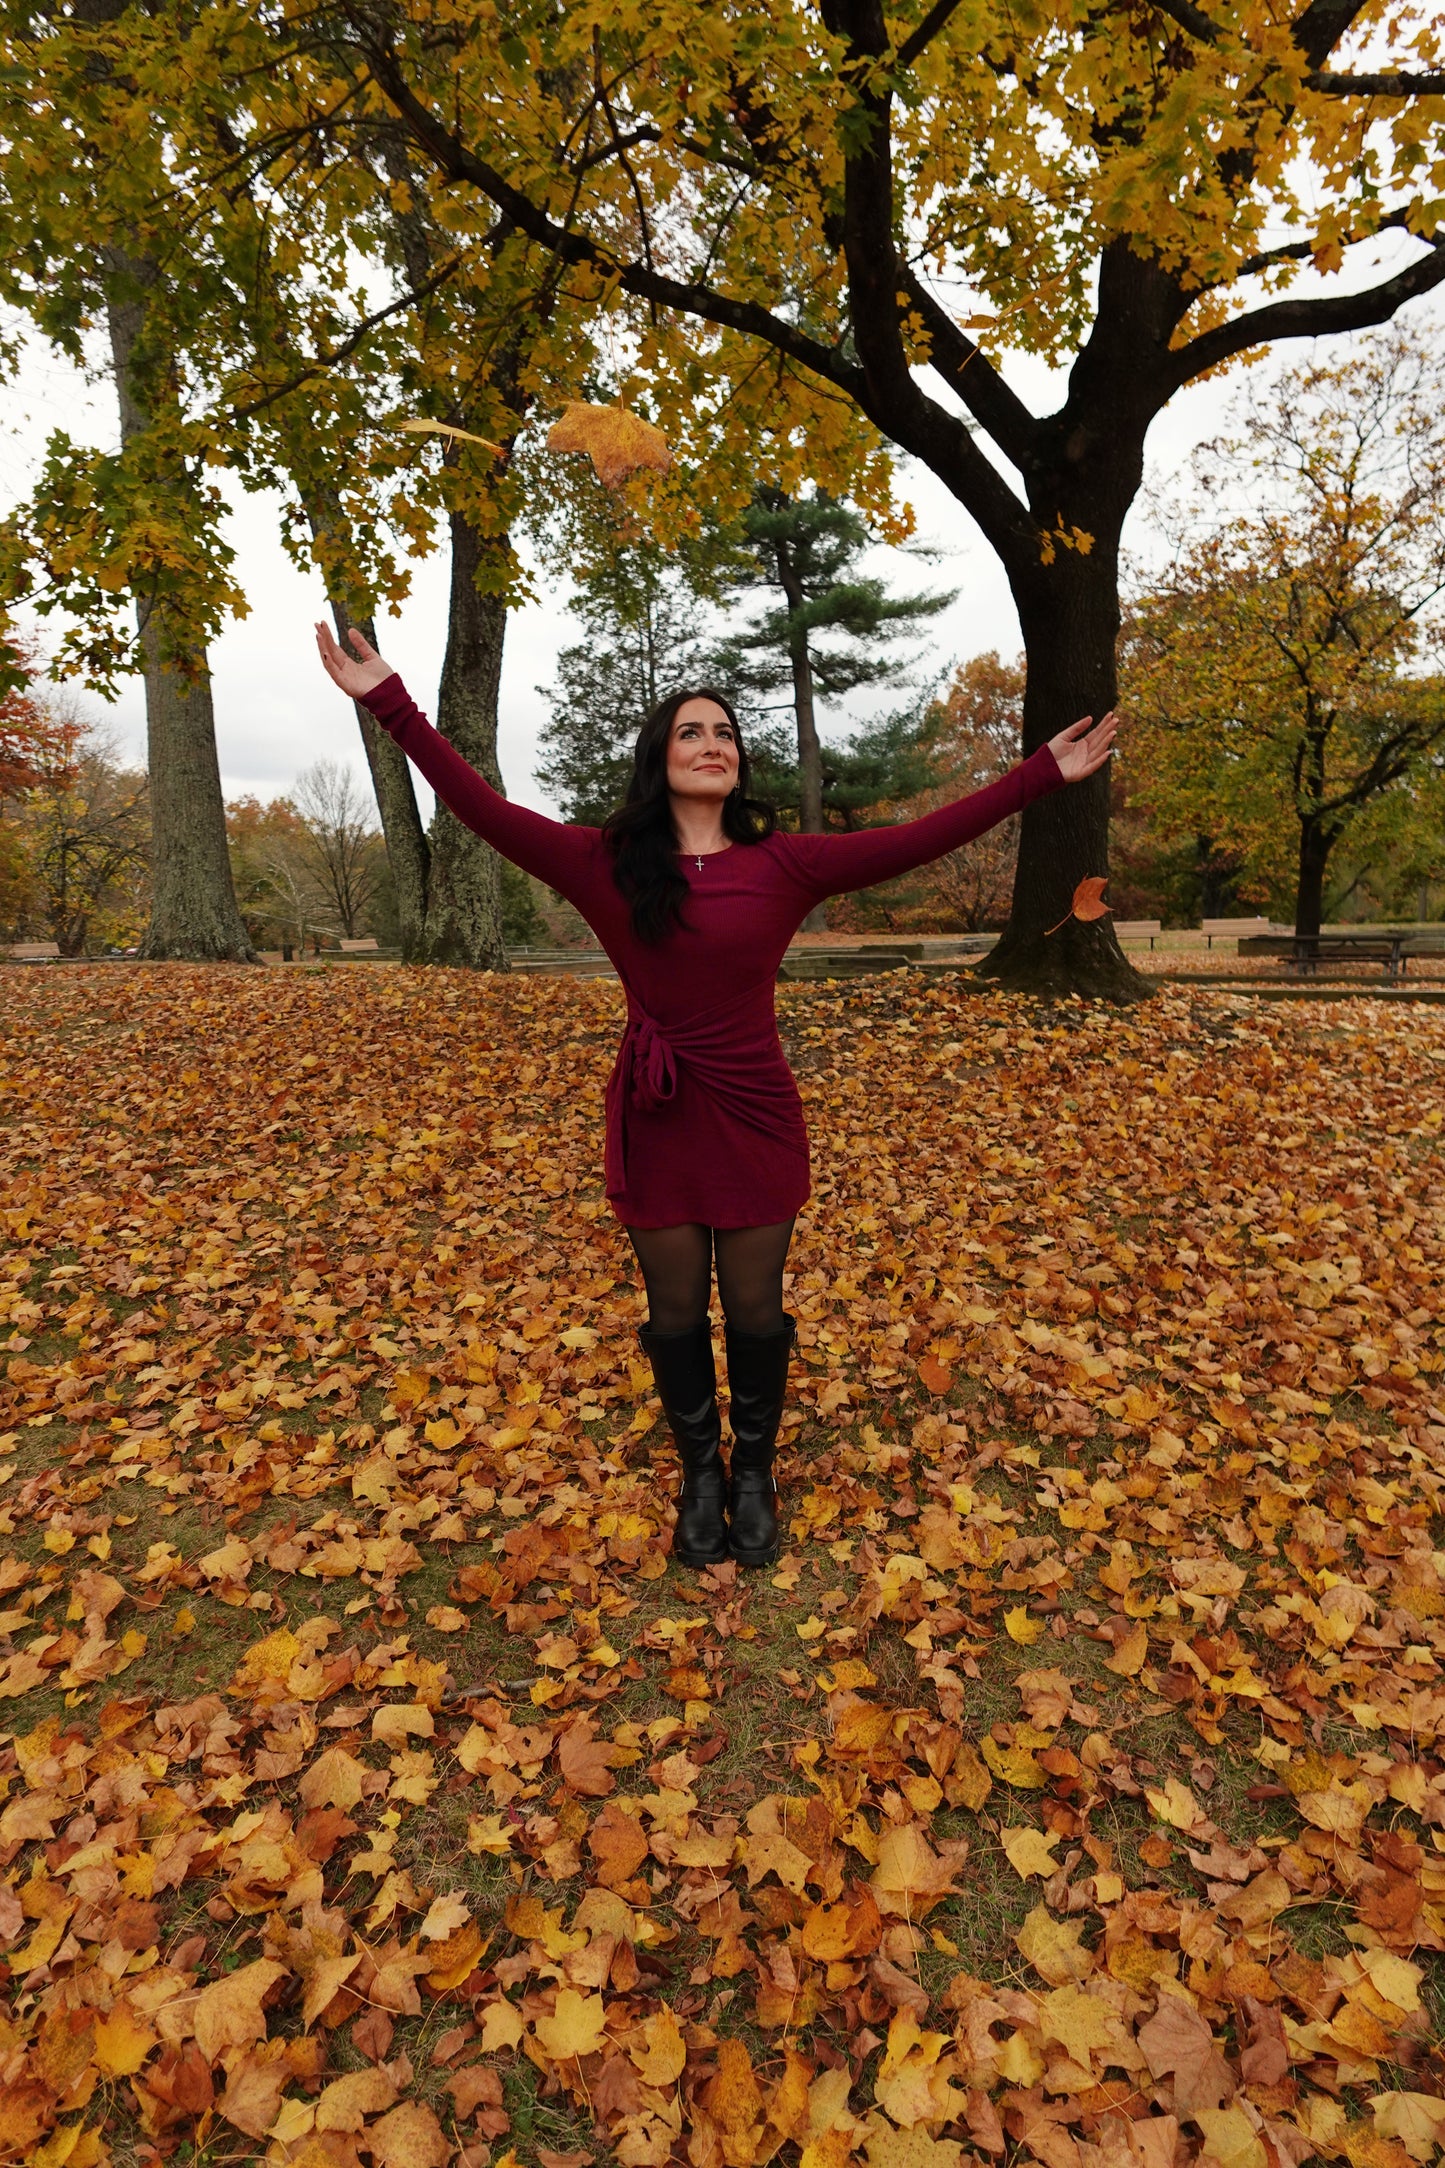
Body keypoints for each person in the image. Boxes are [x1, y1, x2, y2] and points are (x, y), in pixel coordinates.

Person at [315, 624, 1116, 1571]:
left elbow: (915, 840)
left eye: (727, 734)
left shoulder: (784, 864)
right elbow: (481, 809)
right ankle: (700, 1472)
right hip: (656, 1112)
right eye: (692, 732)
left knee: (754, 1307)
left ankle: (752, 1474)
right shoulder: (604, 860)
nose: (713, 745)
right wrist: (389, 702)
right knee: (672, 1312)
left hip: (754, 1112)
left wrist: (1034, 776)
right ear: (661, 758)